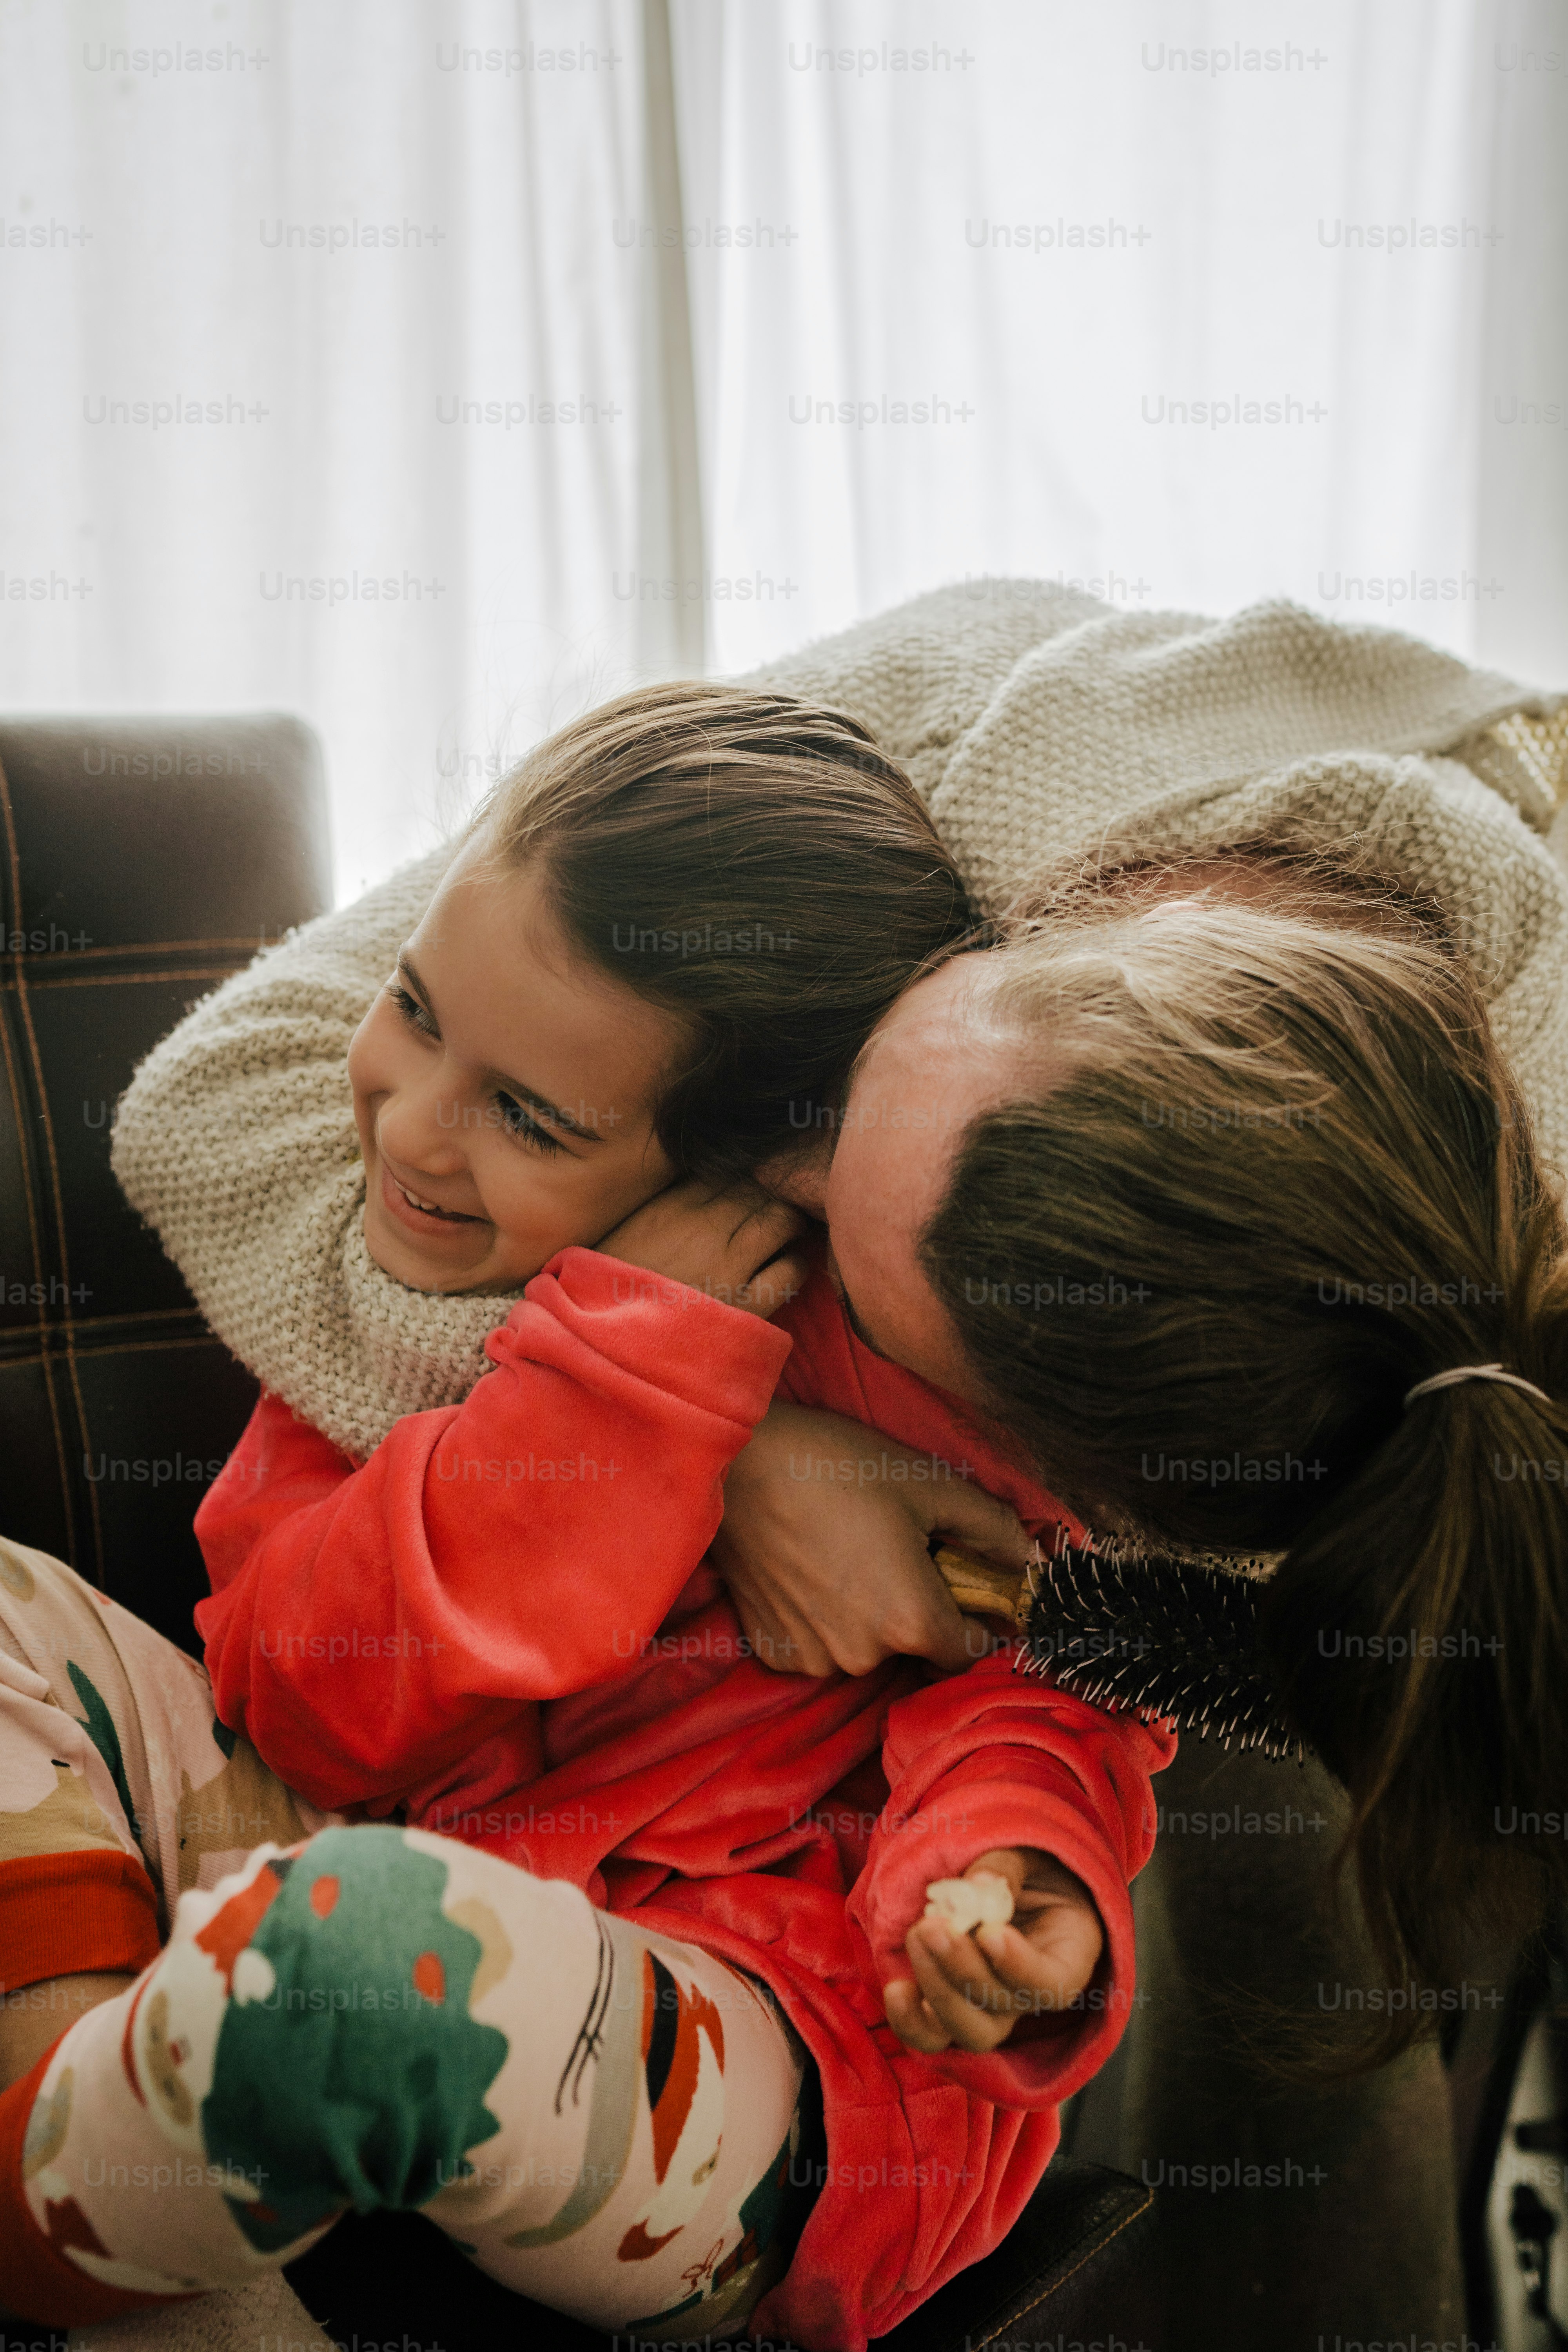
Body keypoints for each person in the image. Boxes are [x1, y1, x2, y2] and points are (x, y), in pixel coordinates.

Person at [0, 681, 1170, 2346]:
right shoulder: (395, 1317)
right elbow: (305, 1700)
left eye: (528, 1117)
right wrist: (626, 1391)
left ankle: (123, 2188)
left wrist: (1004, 1871)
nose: (409, 1127)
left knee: (371, 1960)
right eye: (415, 1012)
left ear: (757, 1170)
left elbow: (1040, 1691)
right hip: (337, 1851)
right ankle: (103, 2162)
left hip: (747, 2044)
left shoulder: (919, 1349)